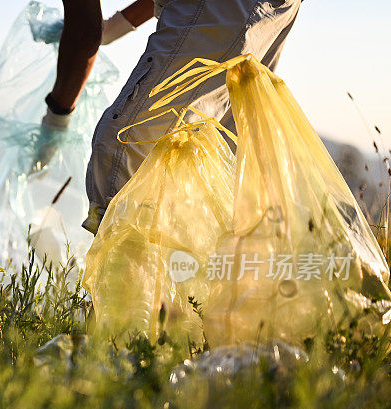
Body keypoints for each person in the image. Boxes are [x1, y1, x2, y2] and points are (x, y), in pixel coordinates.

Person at [39, 0, 303, 234]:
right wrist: (114, 27)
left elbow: (84, 30)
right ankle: (184, 281)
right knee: (207, 171)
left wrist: (56, 120)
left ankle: (127, 282)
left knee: (126, 148)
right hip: (266, 12)